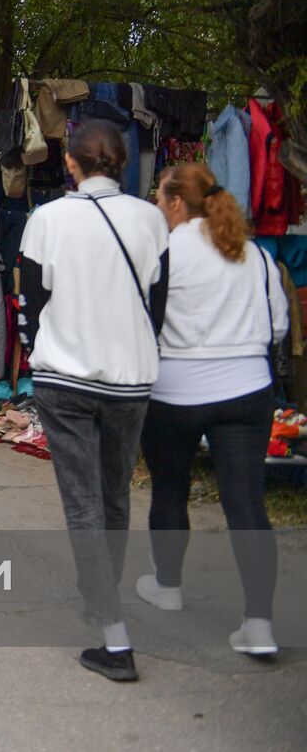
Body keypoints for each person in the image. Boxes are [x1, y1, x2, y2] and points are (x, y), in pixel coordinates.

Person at [17, 119, 169, 682]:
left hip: (65, 377)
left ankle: (112, 632)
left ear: (71, 165)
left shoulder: (48, 219)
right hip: (131, 378)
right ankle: (101, 601)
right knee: (114, 499)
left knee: (82, 503)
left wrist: (38, 352)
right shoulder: (152, 220)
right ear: (124, 163)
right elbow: (158, 303)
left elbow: (31, 302)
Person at [137, 163, 287, 656]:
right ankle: (259, 623)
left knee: (170, 489)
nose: (158, 208)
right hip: (247, 391)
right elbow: (278, 326)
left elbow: (142, 320)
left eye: (161, 199)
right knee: (246, 504)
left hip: (175, 392)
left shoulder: (162, 253)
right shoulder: (256, 255)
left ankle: (168, 586)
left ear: (178, 203)